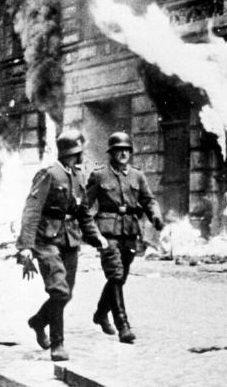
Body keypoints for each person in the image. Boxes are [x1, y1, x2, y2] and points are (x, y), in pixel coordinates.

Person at [16, 129, 108, 361]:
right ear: (71, 153)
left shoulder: (77, 177)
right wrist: (26, 246)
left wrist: (96, 236)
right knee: (59, 291)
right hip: (46, 240)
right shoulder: (48, 174)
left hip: (70, 239)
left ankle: (38, 321)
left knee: (66, 294)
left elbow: (83, 212)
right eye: (79, 152)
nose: (82, 156)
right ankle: (58, 344)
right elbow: (32, 209)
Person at [86, 132, 163, 344]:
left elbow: (149, 199)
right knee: (116, 274)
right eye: (118, 150)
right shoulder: (99, 175)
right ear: (111, 153)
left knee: (120, 277)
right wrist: (91, 232)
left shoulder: (138, 176)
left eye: (126, 150)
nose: (123, 153)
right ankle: (123, 325)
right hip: (107, 232)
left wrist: (155, 216)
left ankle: (101, 313)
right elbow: (85, 206)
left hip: (130, 232)